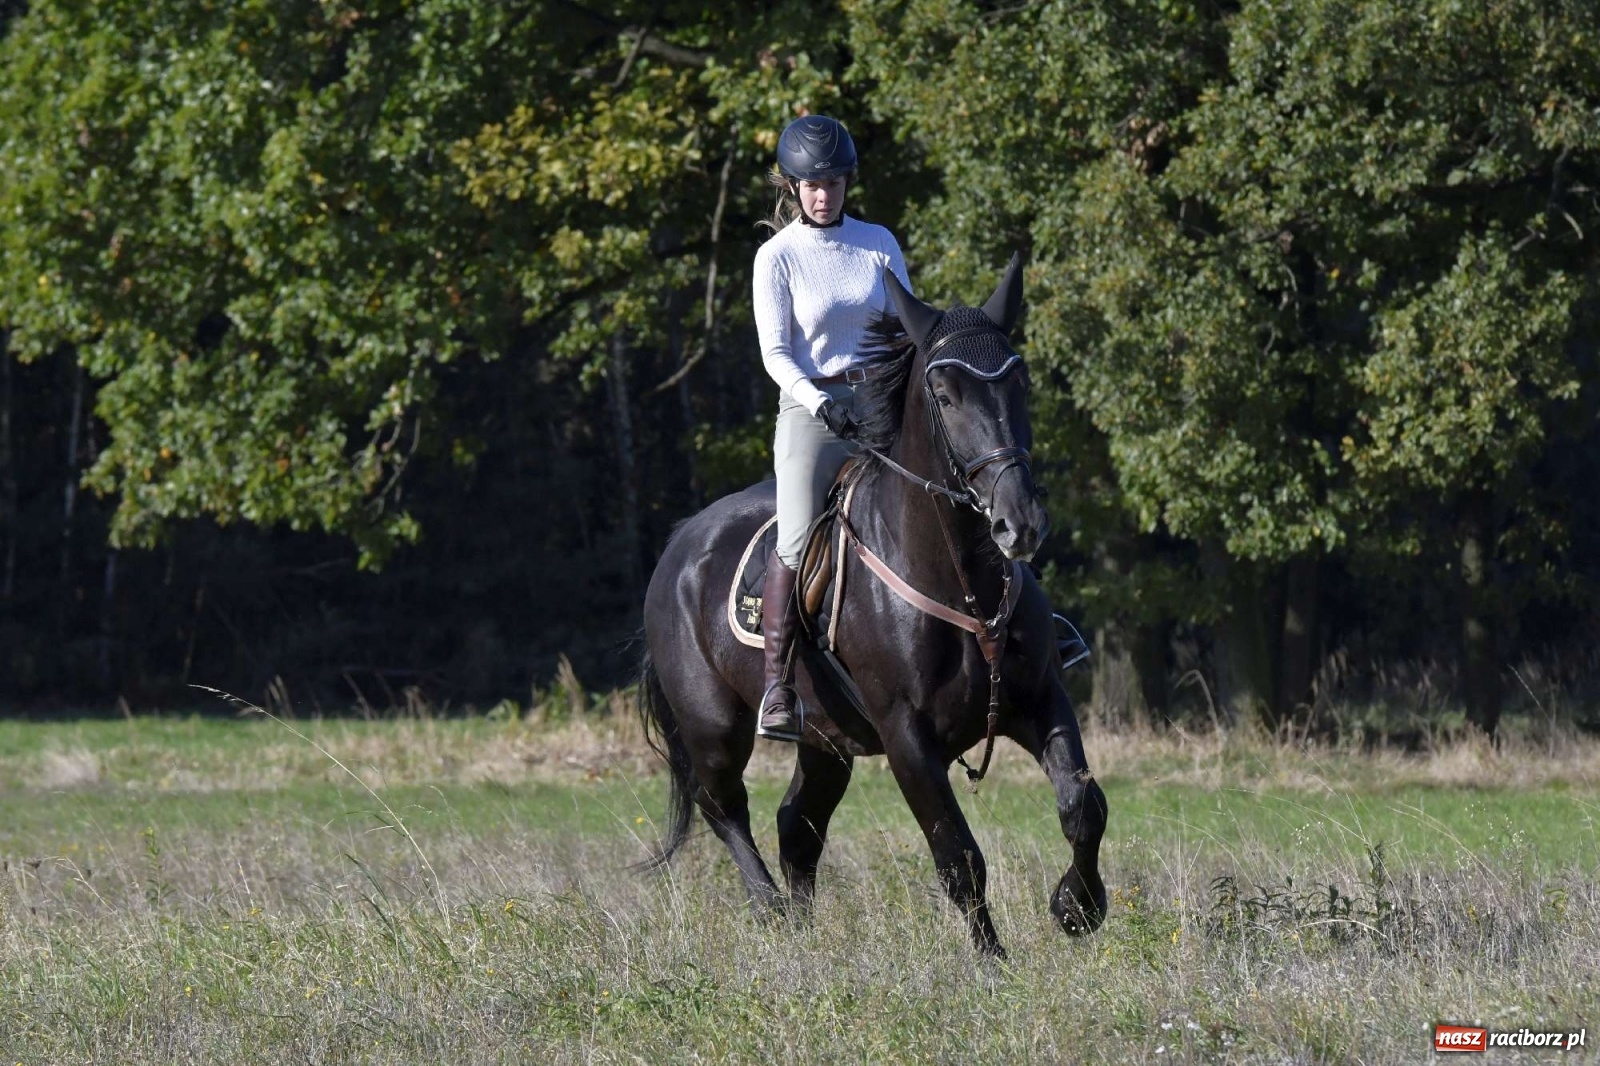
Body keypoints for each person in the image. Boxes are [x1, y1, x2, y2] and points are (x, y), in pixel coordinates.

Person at [752, 114, 911, 742]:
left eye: (834, 183)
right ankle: (777, 686)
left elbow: (904, 325)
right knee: (793, 536)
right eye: (812, 185)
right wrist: (819, 404)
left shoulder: (878, 242)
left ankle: (1025, 630)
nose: (824, 194)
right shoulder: (777, 256)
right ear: (793, 188)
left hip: (879, 401)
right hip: (810, 409)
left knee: (962, 481)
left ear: (847, 183)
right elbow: (775, 354)